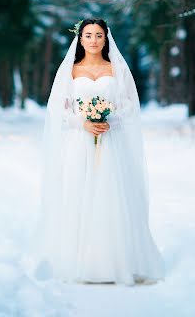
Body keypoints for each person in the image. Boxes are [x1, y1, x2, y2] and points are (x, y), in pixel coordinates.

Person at [31, 18, 165, 286]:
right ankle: (80, 262)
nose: (93, 40)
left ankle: (116, 261)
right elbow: (60, 109)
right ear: (80, 39)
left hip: (111, 141)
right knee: (79, 195)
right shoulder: (70, 70)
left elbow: (129, 105)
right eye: (88, 35)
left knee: (110, 195)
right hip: (80, 143)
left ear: (106, 39)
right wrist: (83, 122)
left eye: (99, 35)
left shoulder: (116, 69)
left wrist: (109, 120)